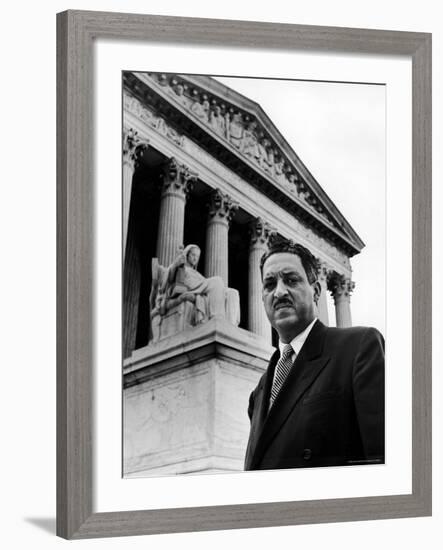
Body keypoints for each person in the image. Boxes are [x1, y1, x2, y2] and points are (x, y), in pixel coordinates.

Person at [244, 238, 385, 470]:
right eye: (269, 284)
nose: (279, 292)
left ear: (316, 291)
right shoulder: (258, 392)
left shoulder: (359, 348)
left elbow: (381, 459)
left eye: (291, 280)